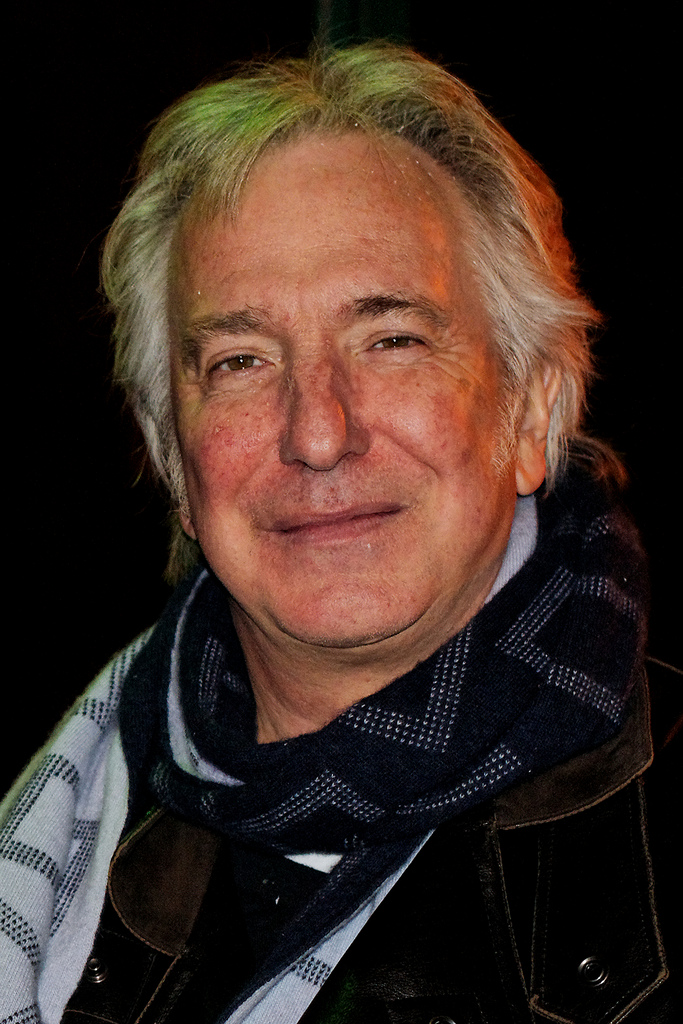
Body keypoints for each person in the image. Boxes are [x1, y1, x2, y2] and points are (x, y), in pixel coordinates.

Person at [1, 42, 679, 1024]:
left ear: (530, 409)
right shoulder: (81, 825)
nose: (317, 433)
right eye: (240, 360)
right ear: (172, 453)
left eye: (391, 339)